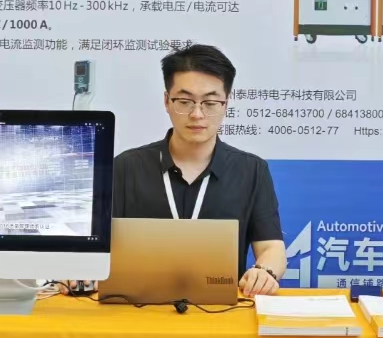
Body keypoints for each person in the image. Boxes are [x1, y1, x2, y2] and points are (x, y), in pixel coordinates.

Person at [112, 44, 287, 296]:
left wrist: (264, 271)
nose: (197, 114)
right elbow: (98, 247)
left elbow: (271, 248)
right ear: (166, 101)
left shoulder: (251, 170)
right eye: (185, 101)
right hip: (135, 307)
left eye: (210, 102)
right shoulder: (126, 168)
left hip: (220, 309)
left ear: (226, 103)